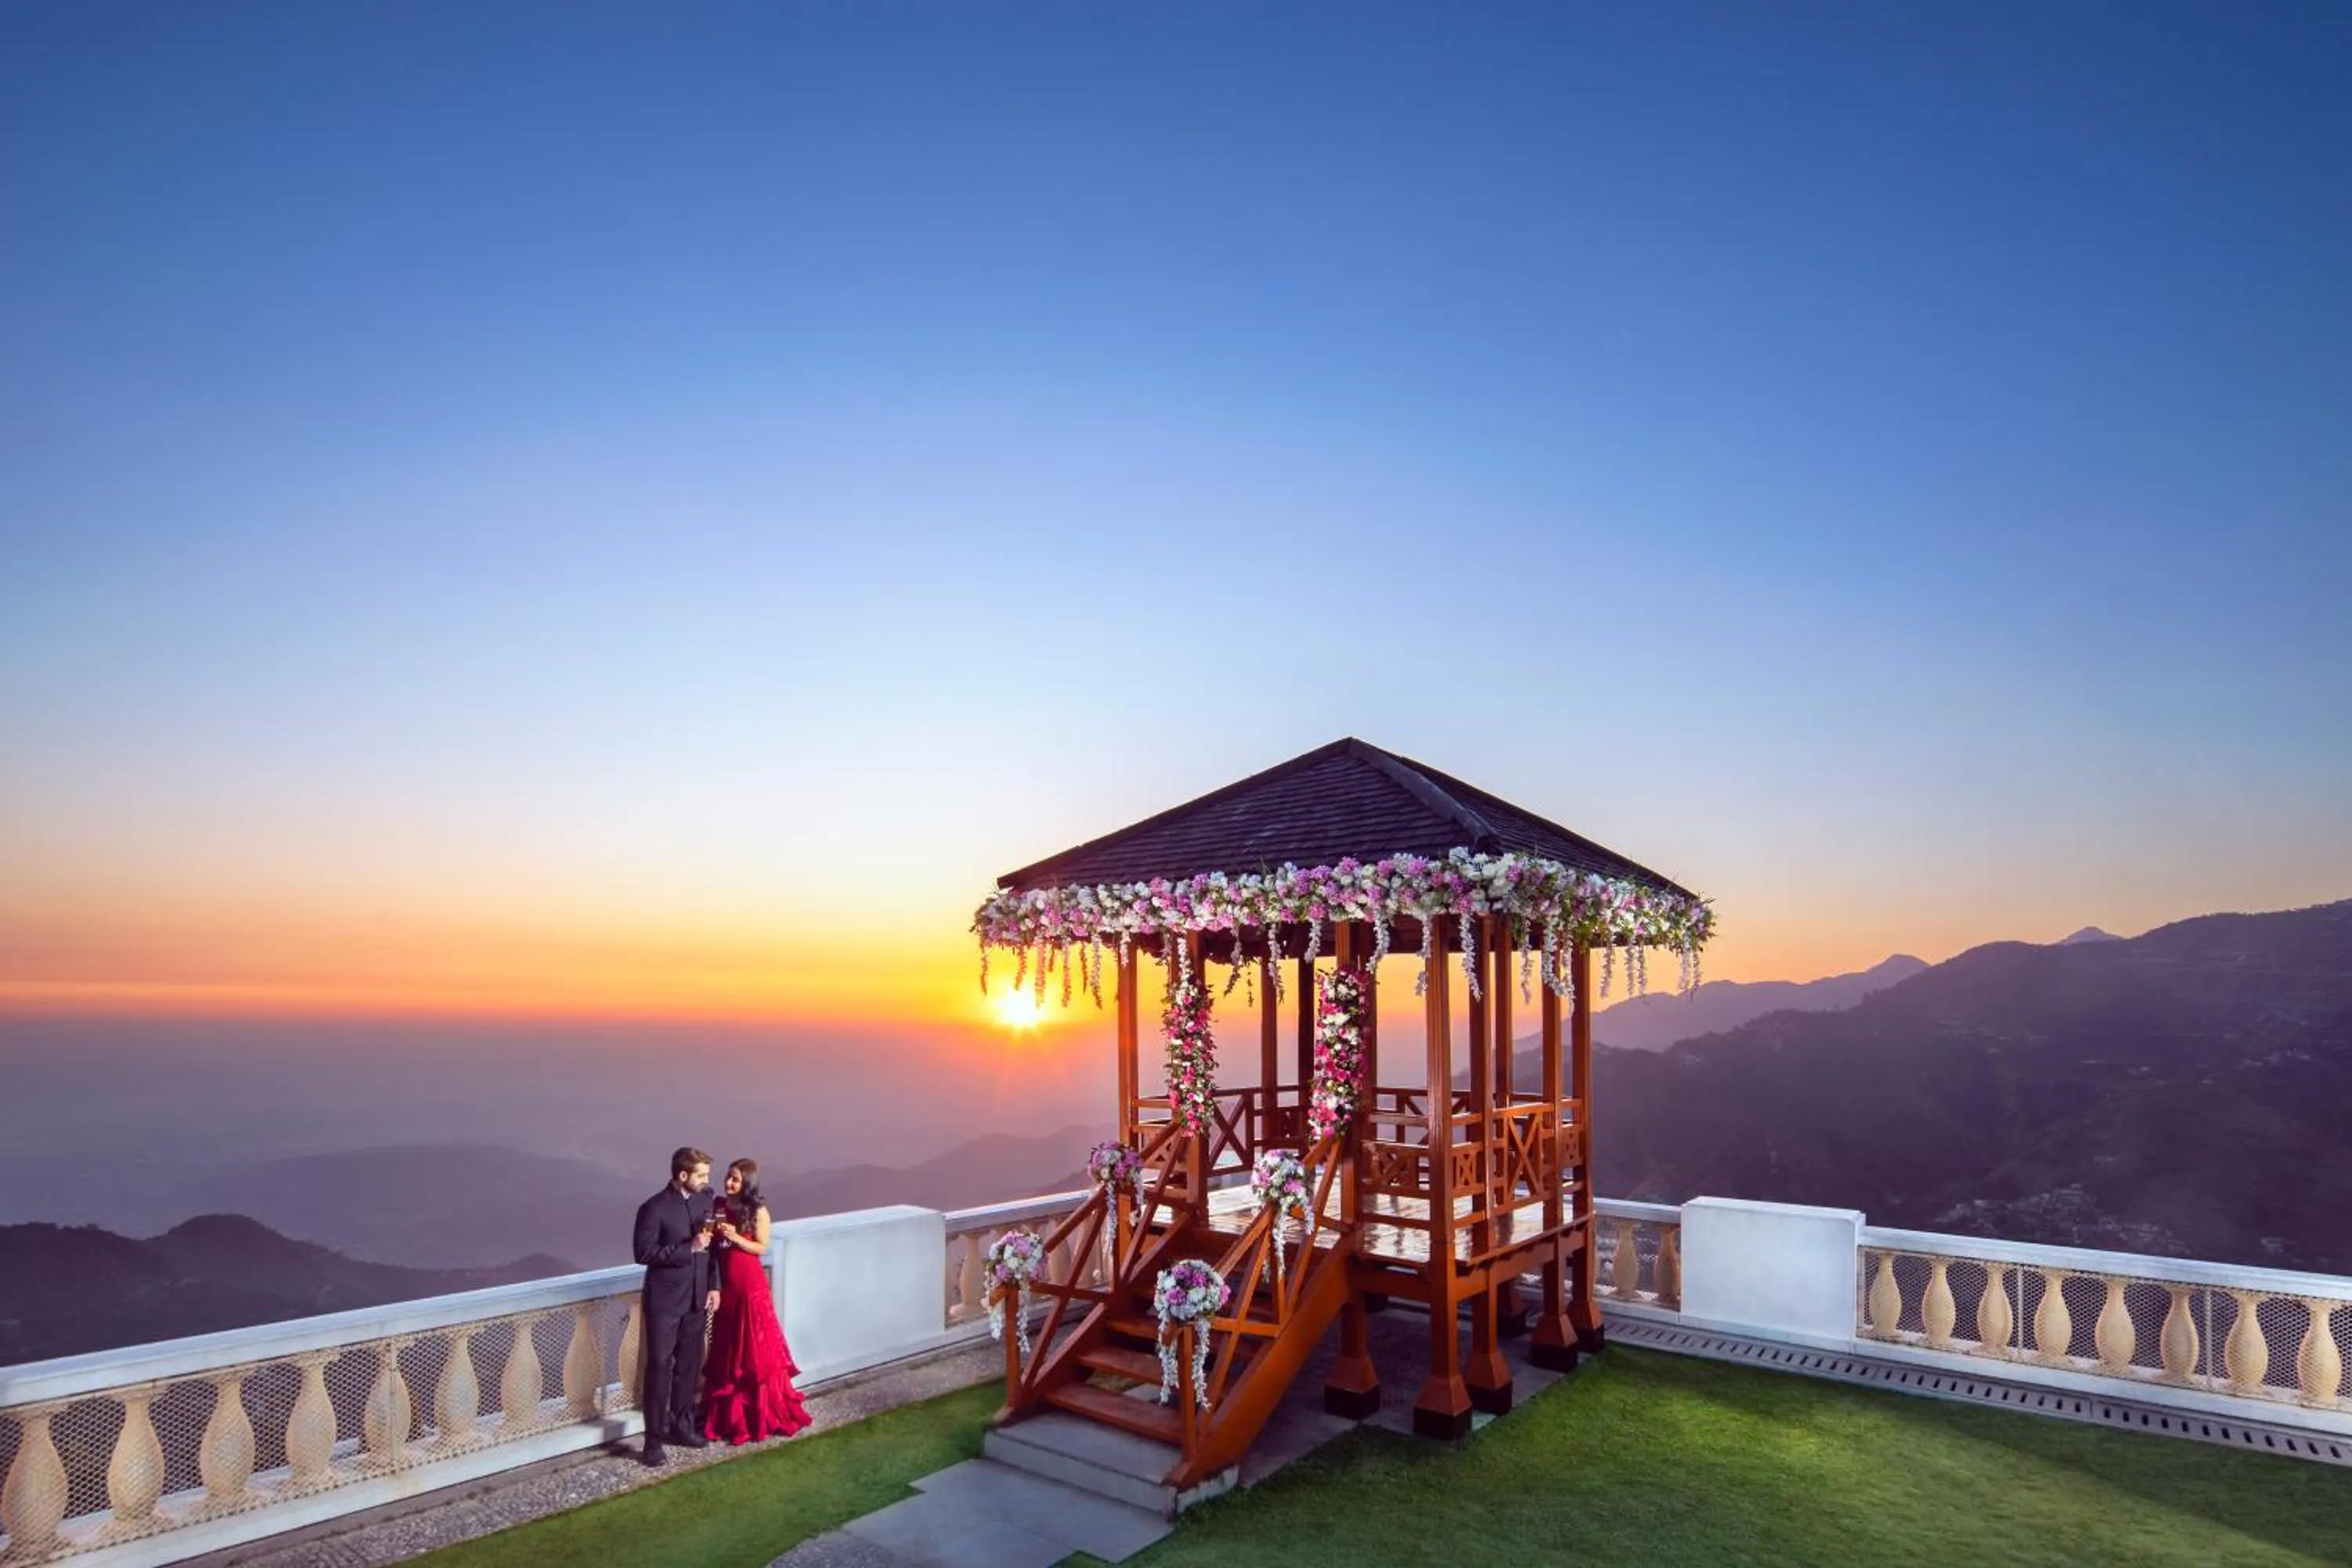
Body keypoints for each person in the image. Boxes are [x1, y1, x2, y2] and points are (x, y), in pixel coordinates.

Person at [699, 1156, 811, 1444]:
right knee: (727, 1348)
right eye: (727, 1177)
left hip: (749, 1286)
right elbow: (713, 1244)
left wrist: (736, 1237)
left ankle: (757, 1415)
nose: (729, 1183)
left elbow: (761, 1247)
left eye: (735, 1179)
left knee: (754, 1351)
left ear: (747, 1182)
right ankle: (726, 1417)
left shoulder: (758, 1211)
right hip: (727, 1286)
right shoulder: (720, 1207)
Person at [632, 1145, 721, 1465]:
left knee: (688, 1368)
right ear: (682, 1176)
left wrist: (714, 1286)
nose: (707, 1181)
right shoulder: (653, 1208)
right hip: (664, 1304)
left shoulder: (704, 1201)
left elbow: (712, 1251)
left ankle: (683, 1427)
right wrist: (688, 1247)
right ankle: (652, 1442)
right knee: (659, 1369)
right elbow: (643, 1254)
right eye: (701, 1175)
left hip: (697, 1300)